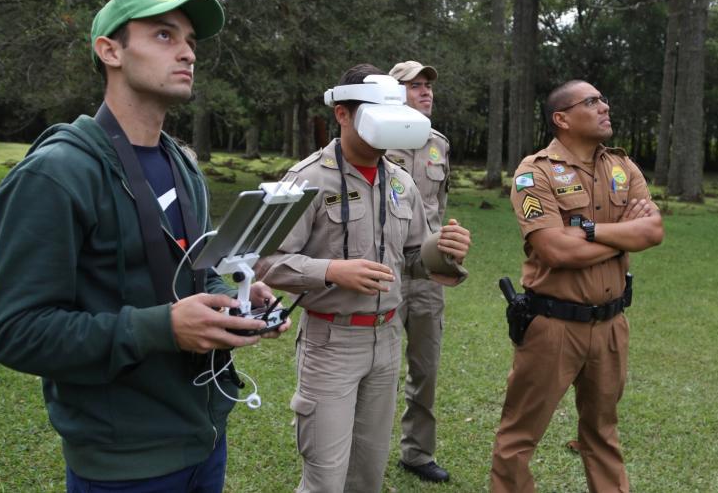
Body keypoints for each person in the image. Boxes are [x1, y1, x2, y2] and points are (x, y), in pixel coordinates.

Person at [0, 0, 289, 492]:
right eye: (164, 35)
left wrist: (232, 290)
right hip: (123, 462)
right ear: (111, 51)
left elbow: (184, 266)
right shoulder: (56, 175)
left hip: (205, 437)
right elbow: (15, 331)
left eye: (190, 40)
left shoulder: (181, 164)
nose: (188, 52)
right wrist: (162, 328)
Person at [255, 64, 471, 493]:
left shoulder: (401, 181)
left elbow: (411, 258)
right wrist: (332, 270)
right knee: (325, 478)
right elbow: (265, 261)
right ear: (343, 113)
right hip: (331, 344)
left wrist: (442, 249)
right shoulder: (309, 178)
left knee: (367, 477)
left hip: (386, 340)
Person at [489, 80, 664, 493]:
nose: (604, 106)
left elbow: (653, 231)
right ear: (562, 118)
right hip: (552, 325)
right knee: (519, 438)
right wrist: (622, 233)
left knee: (602, 433)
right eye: (591, 101)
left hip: (611, 326)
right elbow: (554, 251)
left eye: (603, 98)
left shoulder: (622, 166)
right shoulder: (535, 172)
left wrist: (587, 231)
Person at [385, 60, 452, 483]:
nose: (425, 92)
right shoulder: (376, 139)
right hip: (384, 270)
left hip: (426, 274)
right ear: (394, 94)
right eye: (415, 86)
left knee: (425, 367)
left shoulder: (438, 144)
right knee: (376, 369)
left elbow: (438, 206)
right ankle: (358, 447)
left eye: (428, 85)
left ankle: (417, 452)